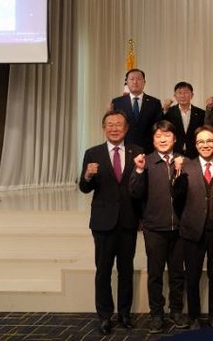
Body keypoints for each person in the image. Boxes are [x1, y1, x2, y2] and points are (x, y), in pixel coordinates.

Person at [78, 110, 142, 335]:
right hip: (103, 222)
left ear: (126, 128)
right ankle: (104, 316)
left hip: (128, 221)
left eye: (119, 124)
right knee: (103, 271)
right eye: (110, 124)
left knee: (126, 270)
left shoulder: (137, 152)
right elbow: (84, 188)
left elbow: (140, 187)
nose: (114, 128)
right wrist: (87, 175)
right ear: (104, 128)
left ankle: (124, 313)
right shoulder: (92, 153)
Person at [173, 126, 213, 329]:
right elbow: (177, 198)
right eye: (201, 141)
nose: (205, 145)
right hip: (192, 231)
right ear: (195, 144)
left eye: (209, 141)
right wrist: (176, 174)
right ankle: (194, 317)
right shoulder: (185, 166)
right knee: (192, 276)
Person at [129, 120, 188, 334]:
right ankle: (156, 314)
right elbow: (134, 192)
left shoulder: (184, 161)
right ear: (153, 140)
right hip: (154, 228)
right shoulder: (146, 162)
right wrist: (138, 169)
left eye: (167, 135)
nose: (163, 139)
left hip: (180, 228)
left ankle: (176, 311)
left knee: (177, 273)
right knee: (155, 274)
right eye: (158, 136)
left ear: (175, 138)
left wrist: (180, 171)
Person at [111, 68, 163, 154]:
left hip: (148, 150)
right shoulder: (117, 102)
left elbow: (158, 127)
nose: (135, 82)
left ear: (144, 82)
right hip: (124, 149)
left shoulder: (154, 103)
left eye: (138, 79)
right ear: (127, 82)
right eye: (131, 79)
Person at [163, 81, 206, 159]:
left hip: (195, 153)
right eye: (179, 93)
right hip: (174, 152)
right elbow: (161, 126)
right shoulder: (169, 112)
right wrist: (165, 109)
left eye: (186, 92)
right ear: (175, 96)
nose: (182, 96)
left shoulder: (201, 113)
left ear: (192, 95)